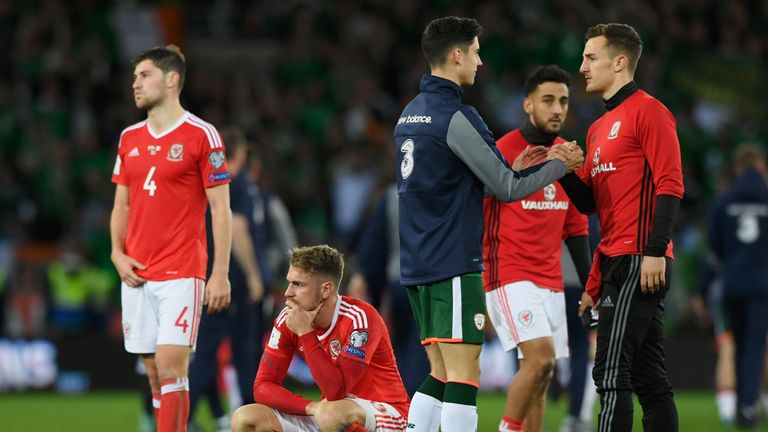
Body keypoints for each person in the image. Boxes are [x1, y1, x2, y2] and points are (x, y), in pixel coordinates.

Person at [394, 17, 584, 432]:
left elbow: (444, 188)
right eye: (477, 52)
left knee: (440, 372)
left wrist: (505, 171)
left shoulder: (409, 116)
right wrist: (559, 164)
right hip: (452, 262)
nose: (480, 62)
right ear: (458, 55)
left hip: (416, 262)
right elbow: (509, 189)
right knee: (465, 373)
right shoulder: (457, 116)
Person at [557, 23, 684, 431]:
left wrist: (654, 251)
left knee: (610, 372)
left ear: (621, 61)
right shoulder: (597, 129)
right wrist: (563, 170)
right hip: (614, 260)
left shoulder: (650, 111)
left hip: (638, 258)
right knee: (650, 381)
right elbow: (590, 203)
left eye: (591, 57)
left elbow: (670, 184)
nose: (582, 67)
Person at [110, 45, 232, 432]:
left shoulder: (202, 136)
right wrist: (116, 253)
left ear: (171, 79)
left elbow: (221, 209)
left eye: (144, 75)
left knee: (170, 365)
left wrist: (220, 273)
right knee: (151, 372)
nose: (136, 84)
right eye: (134, 78)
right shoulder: (128, 138)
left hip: (182, 271)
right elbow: (122, 206)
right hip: (137, 273)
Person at [482, 65, 593, 432]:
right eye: (548, 100)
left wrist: (590, 284)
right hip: (509, 275)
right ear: (528, 105)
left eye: (563, 101)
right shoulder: (502, 149)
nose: (557, 109)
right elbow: (479, 212)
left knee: (540, 381)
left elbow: (576, 226)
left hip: (551, 281)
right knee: (541, 360)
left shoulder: (568, 155)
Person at [231, 245, 410, 432]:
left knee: (331, 414)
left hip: (386, 414)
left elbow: (336, 391)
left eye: (298, 284)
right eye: (289, 282)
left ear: (325, 290)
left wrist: (306, 333)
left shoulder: (360, 318)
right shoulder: (288, 319)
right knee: (246, 418)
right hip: (331, 415)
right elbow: (263, 386)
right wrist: (311, 407)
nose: (287, 292)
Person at [188, 128, 272, 430]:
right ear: (240, 154)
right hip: (232, 282)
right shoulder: (238, 184)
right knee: (243, 352)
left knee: (207, 350)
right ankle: (248, 416)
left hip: (208, 276)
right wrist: (253, 276)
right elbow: (237, 228)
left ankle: (195, 416)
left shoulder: (207, 183)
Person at [347, 183, 430, 396]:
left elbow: (374, 241)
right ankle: (412, 409)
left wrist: (363, 274)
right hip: (431, 280)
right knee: (422, 350)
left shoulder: (393, 194)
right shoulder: (441, 185)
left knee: (402, 347)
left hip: (398, 280)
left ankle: (398, 404)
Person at [709, 143, 768, 430]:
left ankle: (743, 403)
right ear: (761, 167)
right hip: (762, 286)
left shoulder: (725, 201)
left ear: (737, 169)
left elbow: (715, 243)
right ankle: (747, 404)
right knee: (756, 345)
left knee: (741, 344)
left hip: (733, 284)